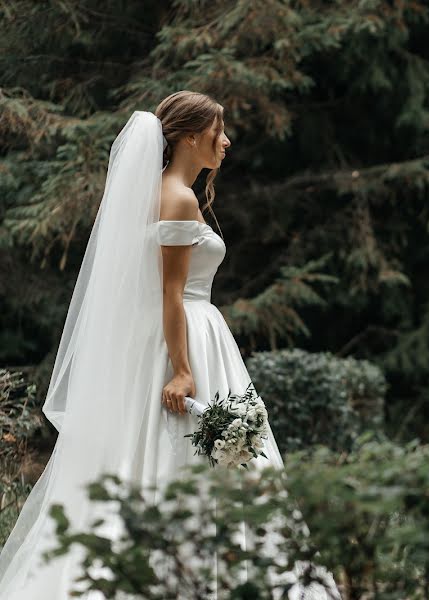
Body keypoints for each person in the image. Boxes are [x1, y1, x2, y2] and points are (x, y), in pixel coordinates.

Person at [0, 91, 342, 599]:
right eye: (217, 131)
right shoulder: (177, 197)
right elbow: (170, 292)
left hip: (188, 334)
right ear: (189, 136)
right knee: (199, 455)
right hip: (187, 339)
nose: (225, 141)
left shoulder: (167, 191)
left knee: (189, 455)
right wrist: (182, 370)